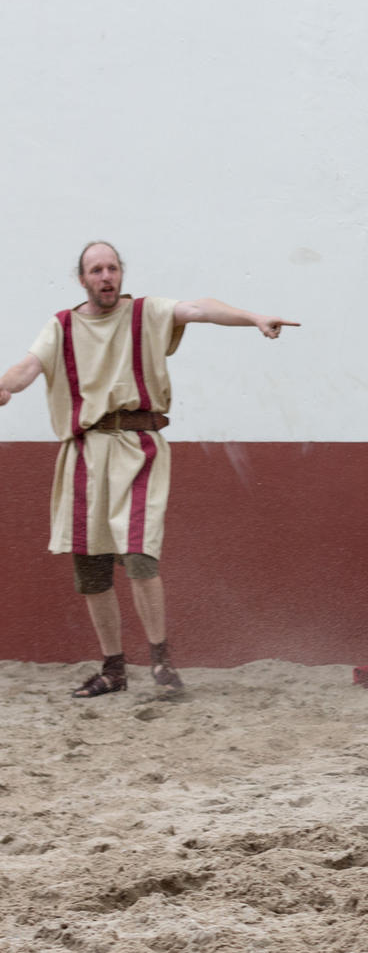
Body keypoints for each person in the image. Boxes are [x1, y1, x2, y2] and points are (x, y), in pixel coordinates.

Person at [0, 241, 299, 697]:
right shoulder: (61, 326)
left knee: (139, 554)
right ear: (81, 279)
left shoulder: (145, 314)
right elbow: (26, 368)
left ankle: (161, 662)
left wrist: (253, 318)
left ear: (121, 273)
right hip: (84, 452)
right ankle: (114, 669)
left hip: (138, 446)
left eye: (112, 268)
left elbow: (199, 308)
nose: (106, 276)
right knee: (92, 566)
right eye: (96, 270)